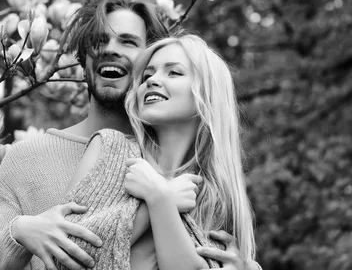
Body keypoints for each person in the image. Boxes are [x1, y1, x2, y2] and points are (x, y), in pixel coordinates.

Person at [0, 0, 260, 270]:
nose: (111, 49)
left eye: (128, 42)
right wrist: (20, 232)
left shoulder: (191, 167)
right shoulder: (28, 158)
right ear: (83, 60)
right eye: (99, 41)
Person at [57, 34, 256, 269]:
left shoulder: (215, 198)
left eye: (174, 72)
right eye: (148, 75)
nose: (152, 81)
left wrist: (159, 200)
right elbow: (63, 253)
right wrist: (164, 198)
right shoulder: (109, 150)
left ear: (208, 95)